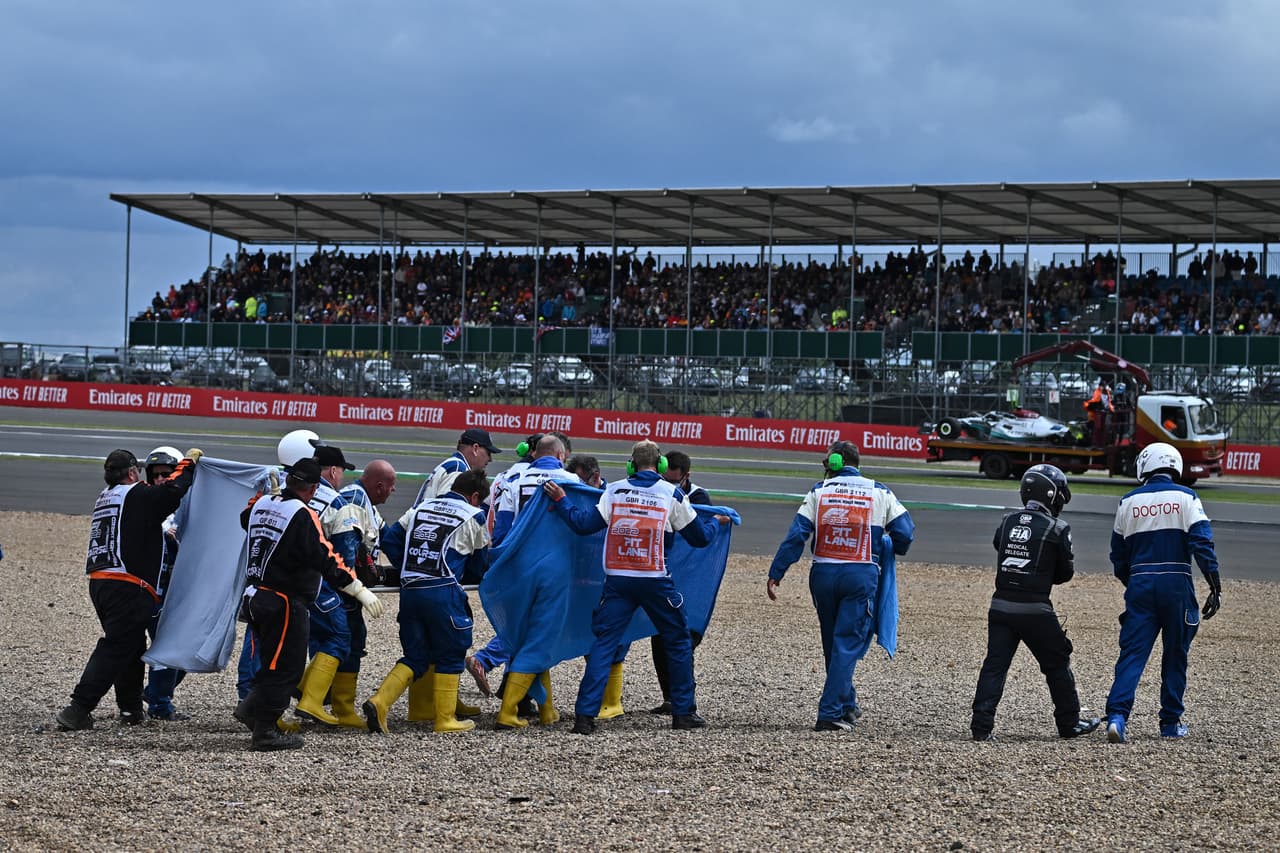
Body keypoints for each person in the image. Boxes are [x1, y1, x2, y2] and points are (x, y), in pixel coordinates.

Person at [544, 440, 730, 735]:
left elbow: (582, 524)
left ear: (630, 464)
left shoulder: (614, 489)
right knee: (678, 641)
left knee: (604, 644)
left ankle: (584, 717)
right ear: (662, 466)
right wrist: (716, 524)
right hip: (655, 580)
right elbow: (700, 539)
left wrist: (562, 500)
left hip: (617, 581)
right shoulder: (672, 493)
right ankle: (683, 712)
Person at [235, 458, 384, 751]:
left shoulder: (262, 504)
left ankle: (251, 709)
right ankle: (265, 732)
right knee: (287, 668)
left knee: (271, 661)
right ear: (314, 488)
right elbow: (325, 555)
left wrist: (265, 497)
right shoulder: (301, 513)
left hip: (255, 595)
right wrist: (357, 589)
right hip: (284, 601)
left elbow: (244, 518)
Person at [766, 441, 914, 732]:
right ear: (857, 463)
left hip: (822, 574)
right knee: (846, 643)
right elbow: (905, 534)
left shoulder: (818, 490)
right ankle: (830, 712)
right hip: (859, 574)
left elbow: (797, 535)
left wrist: (777, 571)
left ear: (833, 462)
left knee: (833, 644)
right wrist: (891, 545)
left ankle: (846, 704)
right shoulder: (879, 490)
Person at [56, 447, 200, 731]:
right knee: (116, 648)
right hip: (128, 586)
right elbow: (173, 492)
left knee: (131, 647)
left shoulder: (106, 497)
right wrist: (189, 463)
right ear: (134, 473)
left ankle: (130, 709)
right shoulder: (137, 494)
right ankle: (78, 708)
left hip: (101, 582)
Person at [969, 465, 1101, 741]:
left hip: (1001, 606)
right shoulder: (1058, 528)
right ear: (1052, 495)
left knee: (995, 666)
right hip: (1036, 609)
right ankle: (1069, 723)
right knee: (1057, 663)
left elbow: (999, 546)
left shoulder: (1007, 520)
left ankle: (981, 727)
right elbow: (1065, 574)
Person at [1104, 443, 1222, 744]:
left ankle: (1117, 716)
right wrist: (1214, 583)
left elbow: (1118, 556)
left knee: (1132, 654)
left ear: (1145, 466)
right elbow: (1202, 543)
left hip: (1141, 582)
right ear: (1174, 466)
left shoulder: (1127, 501)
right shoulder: (1187, 497)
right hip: (1177, 582)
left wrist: (1132, 584)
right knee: (1176, 655)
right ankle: (1170, 722)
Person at [363, 470, 491, 734]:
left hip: (410, 589)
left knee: (416, 655)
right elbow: (479, 564)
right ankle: (445, 719)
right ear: (475, 496)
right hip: (442, 590)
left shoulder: (422, 507)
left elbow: (391, 539)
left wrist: (408, 566)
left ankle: (380, 702)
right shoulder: (474, 515)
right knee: (452, 650)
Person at [490, 435, 580, 729]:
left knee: (526, 632)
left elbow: (501, 529)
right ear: (560, 454)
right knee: (542, 636)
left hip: (518, 567)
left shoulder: (513, 478)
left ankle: (547, 709)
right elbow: (583, 522)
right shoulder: (570, 479)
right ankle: (508, 710)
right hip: (555, 570)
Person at [292, 441, 365, 728]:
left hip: (287, 581)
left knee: (315, 639)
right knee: (340, 637)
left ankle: (305, 691)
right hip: (322, 582)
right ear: (333, 471)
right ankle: (309, 699)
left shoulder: (291, 496)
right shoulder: (338, 503)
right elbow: (345, 555)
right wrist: (355, 588)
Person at [330, 459, 397, 729]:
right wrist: (356, 589)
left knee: (344, 642)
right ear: (380, 486)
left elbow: (388, 537)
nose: (393, 493)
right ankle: (339, 708)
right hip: (340, 587)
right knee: (348, 643)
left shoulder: (365, 501)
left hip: (342, 585)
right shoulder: (355, 502)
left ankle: (314, 697)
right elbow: (346, 552)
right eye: (391, 487)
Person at [646, 450, 710, 715]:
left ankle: (684, 698)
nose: (671, 484)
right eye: (666, 479)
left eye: (675, 480)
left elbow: (702, 533)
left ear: (687, 476)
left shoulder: (699, 497)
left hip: (690, 580)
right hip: (663, 577)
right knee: (658, 638)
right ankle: (670, 697)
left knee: (686, 639)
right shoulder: (658, 492)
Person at [140, 446, 190, 721]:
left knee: (183, 649)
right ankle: (159, 704)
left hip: (177, 591)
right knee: (168, 648)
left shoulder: (187, 508)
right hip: (151, 591)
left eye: (166, 474)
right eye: (156, 475)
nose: (160, 479)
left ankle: (154, 693)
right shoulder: (145, 503)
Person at [413, 428, 501, 506]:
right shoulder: (457, 471)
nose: (490, 459)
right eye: (488, 453)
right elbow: (445, 511)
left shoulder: (454, 464)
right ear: (475, 448)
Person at [1085, 381, 1113, 447]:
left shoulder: (1106, 393)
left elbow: (1107, 402)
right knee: (1097, 428)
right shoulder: (1097, 393)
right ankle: (1095, 443)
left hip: (1103, 412)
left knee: (1103, 429)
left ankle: (1101, 443)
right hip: (1097, 413)